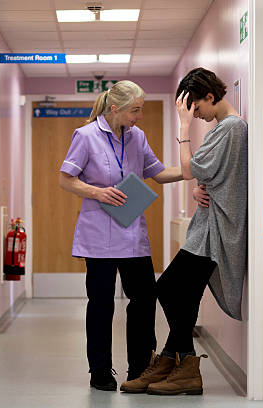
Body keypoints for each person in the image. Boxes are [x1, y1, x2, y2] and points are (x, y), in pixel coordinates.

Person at [120, 67, 248, 395]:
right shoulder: (226, 129)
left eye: (196, 108)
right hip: (207, 227)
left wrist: (183, 127)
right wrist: (197, 189)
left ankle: (176, 360)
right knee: (183, 293)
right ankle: (178, 363)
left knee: (168, 289)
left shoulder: (231, 128)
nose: (197, 115)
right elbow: (207, 176)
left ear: (209, 96)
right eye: (190, 112)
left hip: (215, 230)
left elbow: (191, 169)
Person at [59, 80, 183, 391]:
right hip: (98, 236)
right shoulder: (85, 136)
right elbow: (66, 179)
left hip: (132, 235)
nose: (140, 116)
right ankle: (100, 371)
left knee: (143, 300)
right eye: (135, 110)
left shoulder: (137, 137)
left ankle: (140, 369)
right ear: (115, 109)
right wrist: (97, 193)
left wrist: (193, 170)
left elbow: (157, 173)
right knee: (101, 303)